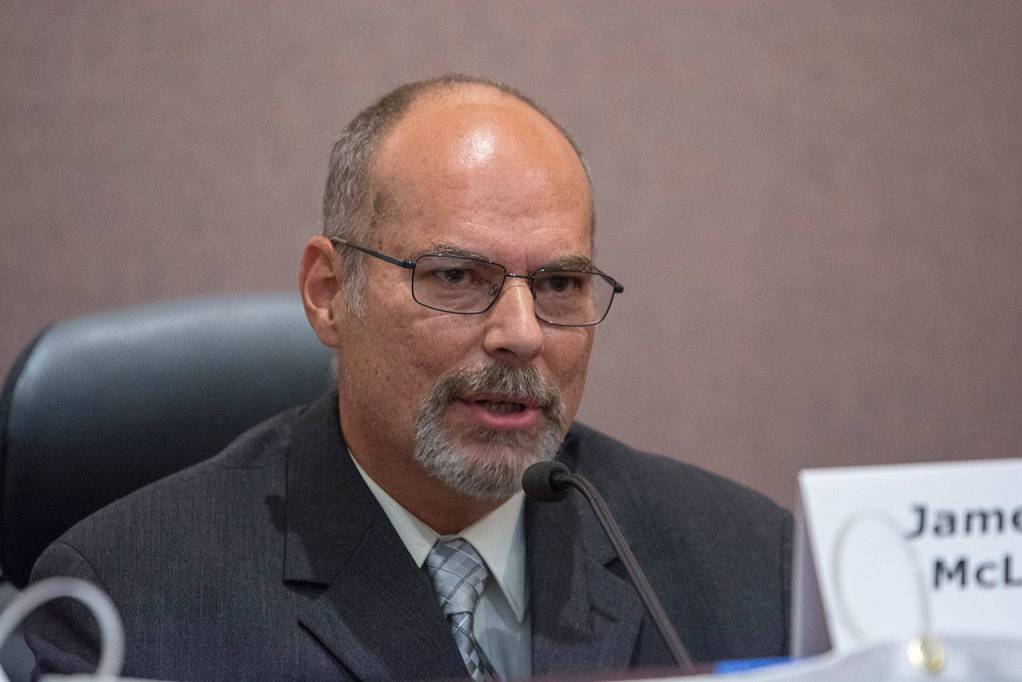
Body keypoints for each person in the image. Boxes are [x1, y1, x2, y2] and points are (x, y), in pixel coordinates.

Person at [26, 75, 791, 681]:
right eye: (457, 275)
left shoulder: (750, 566)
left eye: (560, 285)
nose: (521, 334)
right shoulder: (128, 602)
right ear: (329, 293)